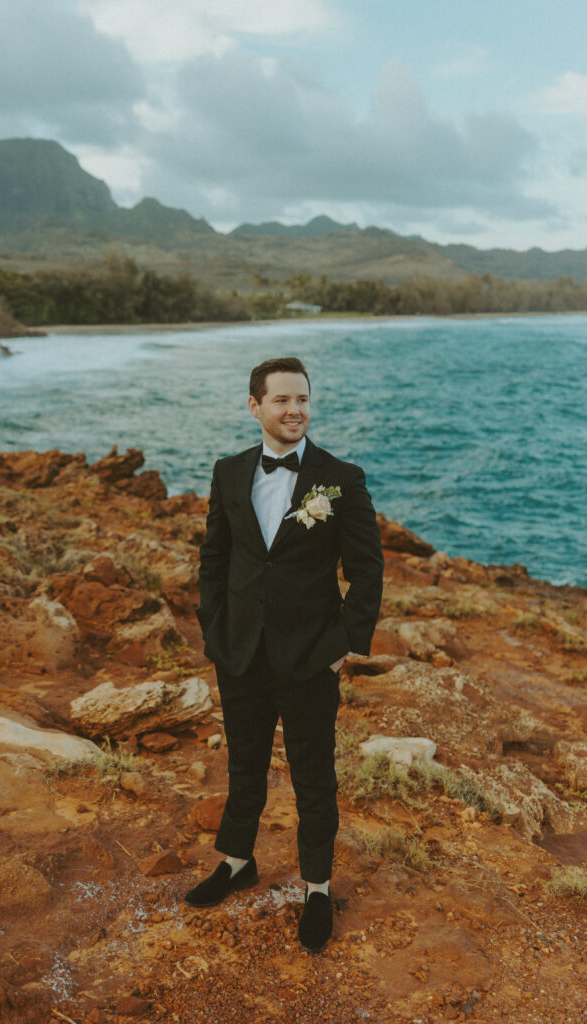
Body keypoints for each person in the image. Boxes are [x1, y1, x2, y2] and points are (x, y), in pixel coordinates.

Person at [185, 356, 384, 953]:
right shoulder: (228, 472)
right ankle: (237, 861)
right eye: (281, 400)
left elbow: (368, 571)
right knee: (245, 766)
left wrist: (341, 647)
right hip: (239, 653)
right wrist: (214, 630)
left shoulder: (341, 477)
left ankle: (317, 887)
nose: (294, 410)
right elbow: (214, 560)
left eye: (301, 399)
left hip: (308, 658)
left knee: (313, 776)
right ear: (255, 407)